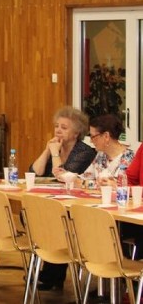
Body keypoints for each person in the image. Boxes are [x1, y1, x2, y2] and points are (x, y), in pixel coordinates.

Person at [37, 113, 128, 292]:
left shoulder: (128, 160)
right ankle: (54, 273)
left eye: (94, 136)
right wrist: (68, 176)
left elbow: (121, 187)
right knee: (61, 219)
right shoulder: (100, 157)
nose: (91, 141)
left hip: (119, 218)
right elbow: (85, 178)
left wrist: (87, 183)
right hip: (97, 212)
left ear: (106, 137)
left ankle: (112, 284)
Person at [29, 106, 94, 178]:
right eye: (56, 126)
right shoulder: (56, 147)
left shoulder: (84, 152)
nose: (58, 130)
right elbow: (34, 173)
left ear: (76, 133)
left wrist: (55, 153)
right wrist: (47, 151)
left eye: (64, 128)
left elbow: (63, 177)